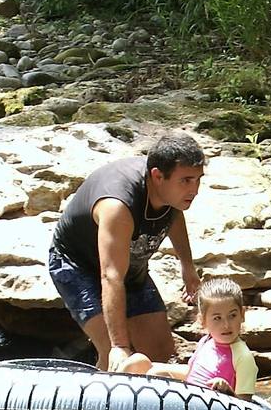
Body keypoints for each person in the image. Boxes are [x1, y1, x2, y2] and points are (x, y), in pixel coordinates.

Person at [46, 131, 205, 373]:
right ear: (157, 176)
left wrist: (187, 266)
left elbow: (174, 216)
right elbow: (110, 276)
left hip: (129, 265)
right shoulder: (118, 206)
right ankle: (98, 402)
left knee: (160, 353)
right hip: (79, 267)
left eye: (198, 179)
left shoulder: (171, 194)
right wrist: (119, 346)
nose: (195, 190)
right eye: (186, 181)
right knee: (121, 357)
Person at [127, 277, 257, 395]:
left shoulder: (243, 357)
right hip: (191, 395)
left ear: (242, 314)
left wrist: (227, 390)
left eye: (232, 316)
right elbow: (191, 372)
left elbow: (245, 404)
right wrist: (151, 367)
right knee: (138, 361)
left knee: (156, 375)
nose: (226, 325)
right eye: (217, 318)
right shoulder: (206, 341)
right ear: (203, 321)